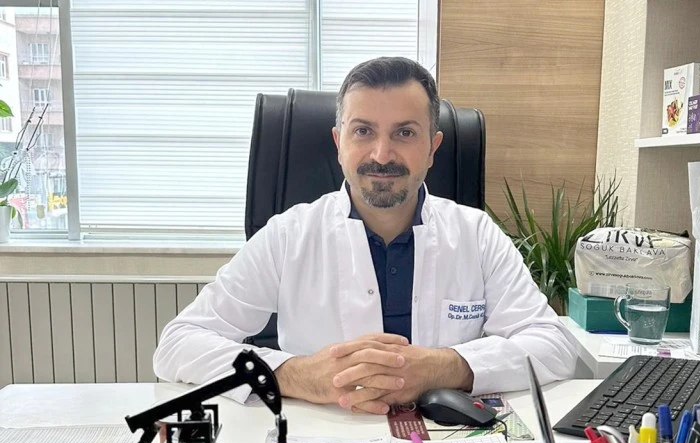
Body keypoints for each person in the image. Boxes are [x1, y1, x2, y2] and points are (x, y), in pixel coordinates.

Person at [153, 57, 577, 415]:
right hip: (320, 439)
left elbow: (553, 345)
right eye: (363, 131)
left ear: (433, 147)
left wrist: (443, 367)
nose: (381, 154)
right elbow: (178, 345)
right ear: (339, 143)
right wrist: (296, 375)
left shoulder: (476, 235)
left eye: (405, 133)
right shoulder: (288, 235)